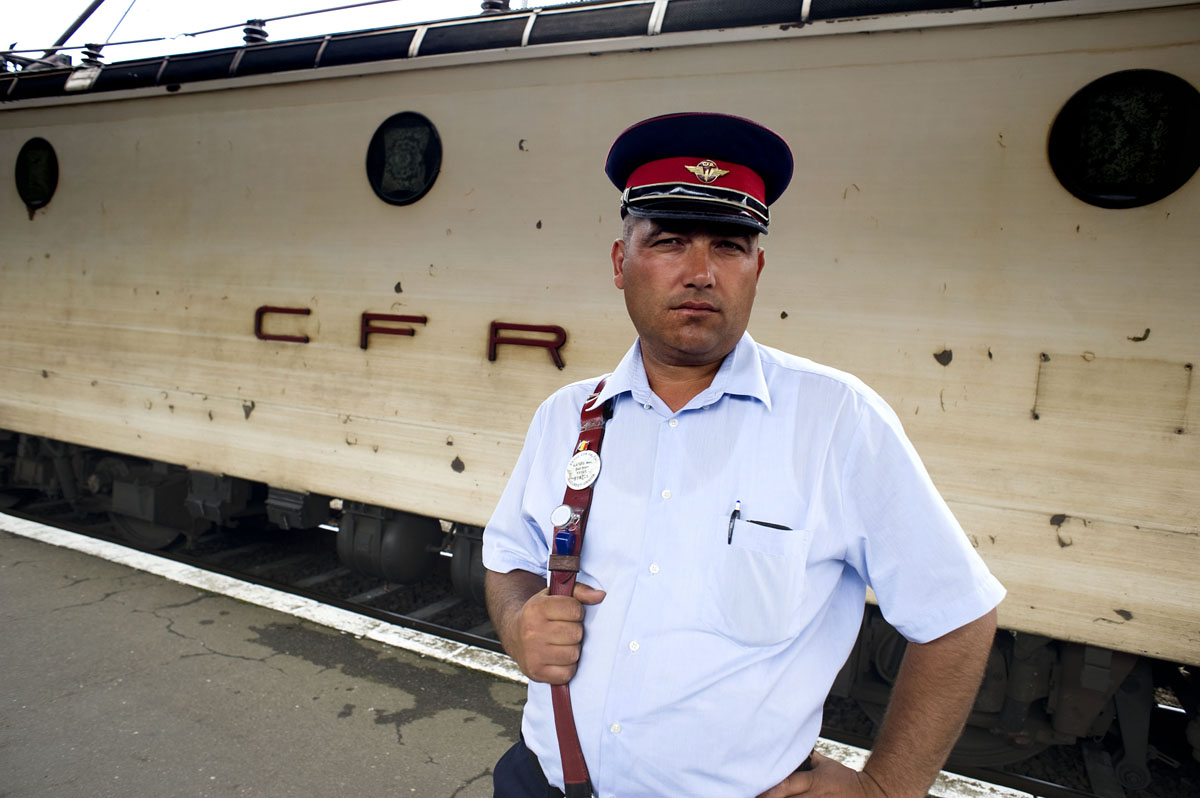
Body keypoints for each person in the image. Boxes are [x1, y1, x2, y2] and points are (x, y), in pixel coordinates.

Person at [483, 112, 1005, 798]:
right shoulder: (567, 417)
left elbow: (958, 616)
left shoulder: (837, 422)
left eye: (728, 246)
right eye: (669, 241)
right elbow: (509, 559)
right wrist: (520, 621)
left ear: (757, 267)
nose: (700, 273)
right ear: (620, 263)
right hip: (544, 783)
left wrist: (887, 788)